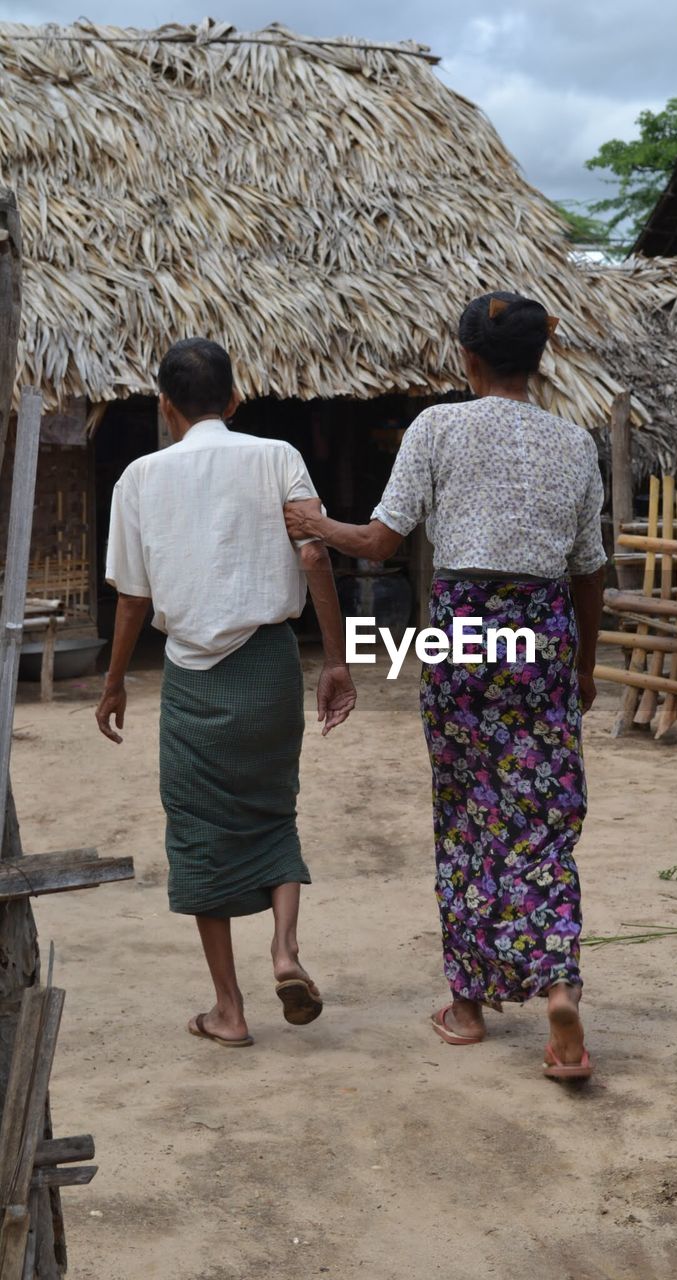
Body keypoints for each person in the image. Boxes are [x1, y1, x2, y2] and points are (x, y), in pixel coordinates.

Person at [285, 291, 606, 1080]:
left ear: (467, 360)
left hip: (464, 630)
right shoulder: (574, 443)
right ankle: (558, 983)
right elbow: (592, 573)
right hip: (543, 632)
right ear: (541, 359)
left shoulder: (437, 427)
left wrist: (311, 522)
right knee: (542, 815)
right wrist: (586, 665)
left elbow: (376, 540)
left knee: (467, 814)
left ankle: (467, 1005)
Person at [96, 338, 356, 1048]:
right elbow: (314, 554)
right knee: (274, 810)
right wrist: (336, 658)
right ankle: (285, 950)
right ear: (236, 401)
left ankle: (229, 1010)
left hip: (192, 680)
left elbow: (131, 602)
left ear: (164, 407)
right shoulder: (278, 458)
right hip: (269, 665)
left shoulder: (139, 479)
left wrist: (115, 681)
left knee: (199, 832)